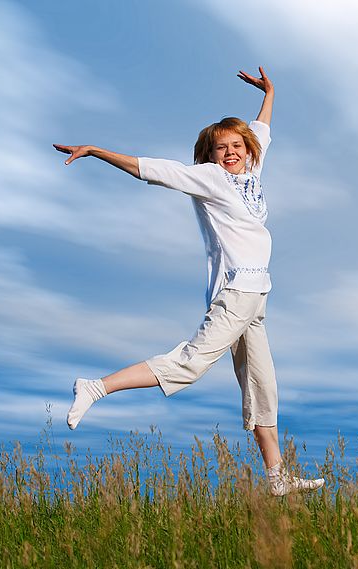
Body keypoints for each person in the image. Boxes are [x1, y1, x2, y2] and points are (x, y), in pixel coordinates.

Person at [53, 67, 324, 496]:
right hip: (235, 293)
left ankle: (277, 479)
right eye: (222, 148)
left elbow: (262, 130)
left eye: (236, 146)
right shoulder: (209, 178)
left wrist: (270, 92)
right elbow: (151, 169)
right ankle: (95, 387)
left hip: (257, 299)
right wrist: (96, 151)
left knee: (263, 387)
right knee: (191, 364)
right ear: (211, 154)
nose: (231, 152)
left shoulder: (251, 169)